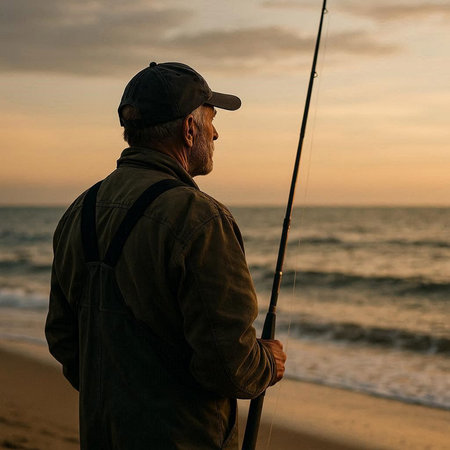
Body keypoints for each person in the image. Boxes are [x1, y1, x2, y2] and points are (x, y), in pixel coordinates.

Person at [45, 61, 286, 450]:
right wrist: (267, 363)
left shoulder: (79, 211)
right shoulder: (201, 218)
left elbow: (62, 336)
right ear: (189, 129)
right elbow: (231, 366)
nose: (216, 132)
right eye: (210, 119)